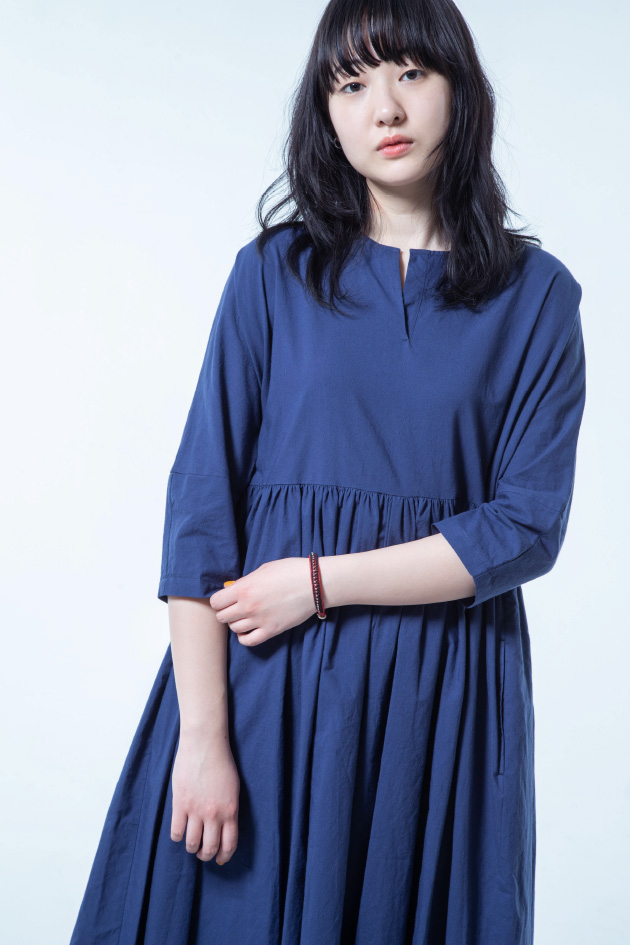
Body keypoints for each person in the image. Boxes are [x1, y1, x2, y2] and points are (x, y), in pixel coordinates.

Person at [69, 0, 587, 943]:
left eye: (411, 74)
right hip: (266, 693)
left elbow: (524, 529)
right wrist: (202, 738)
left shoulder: (538, 298)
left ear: (461, 89)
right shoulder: (273, 273)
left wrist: (318, 582)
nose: (384, 107)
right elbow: (201, 515)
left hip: (440, 705)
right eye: (351, 84)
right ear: (325, 113)